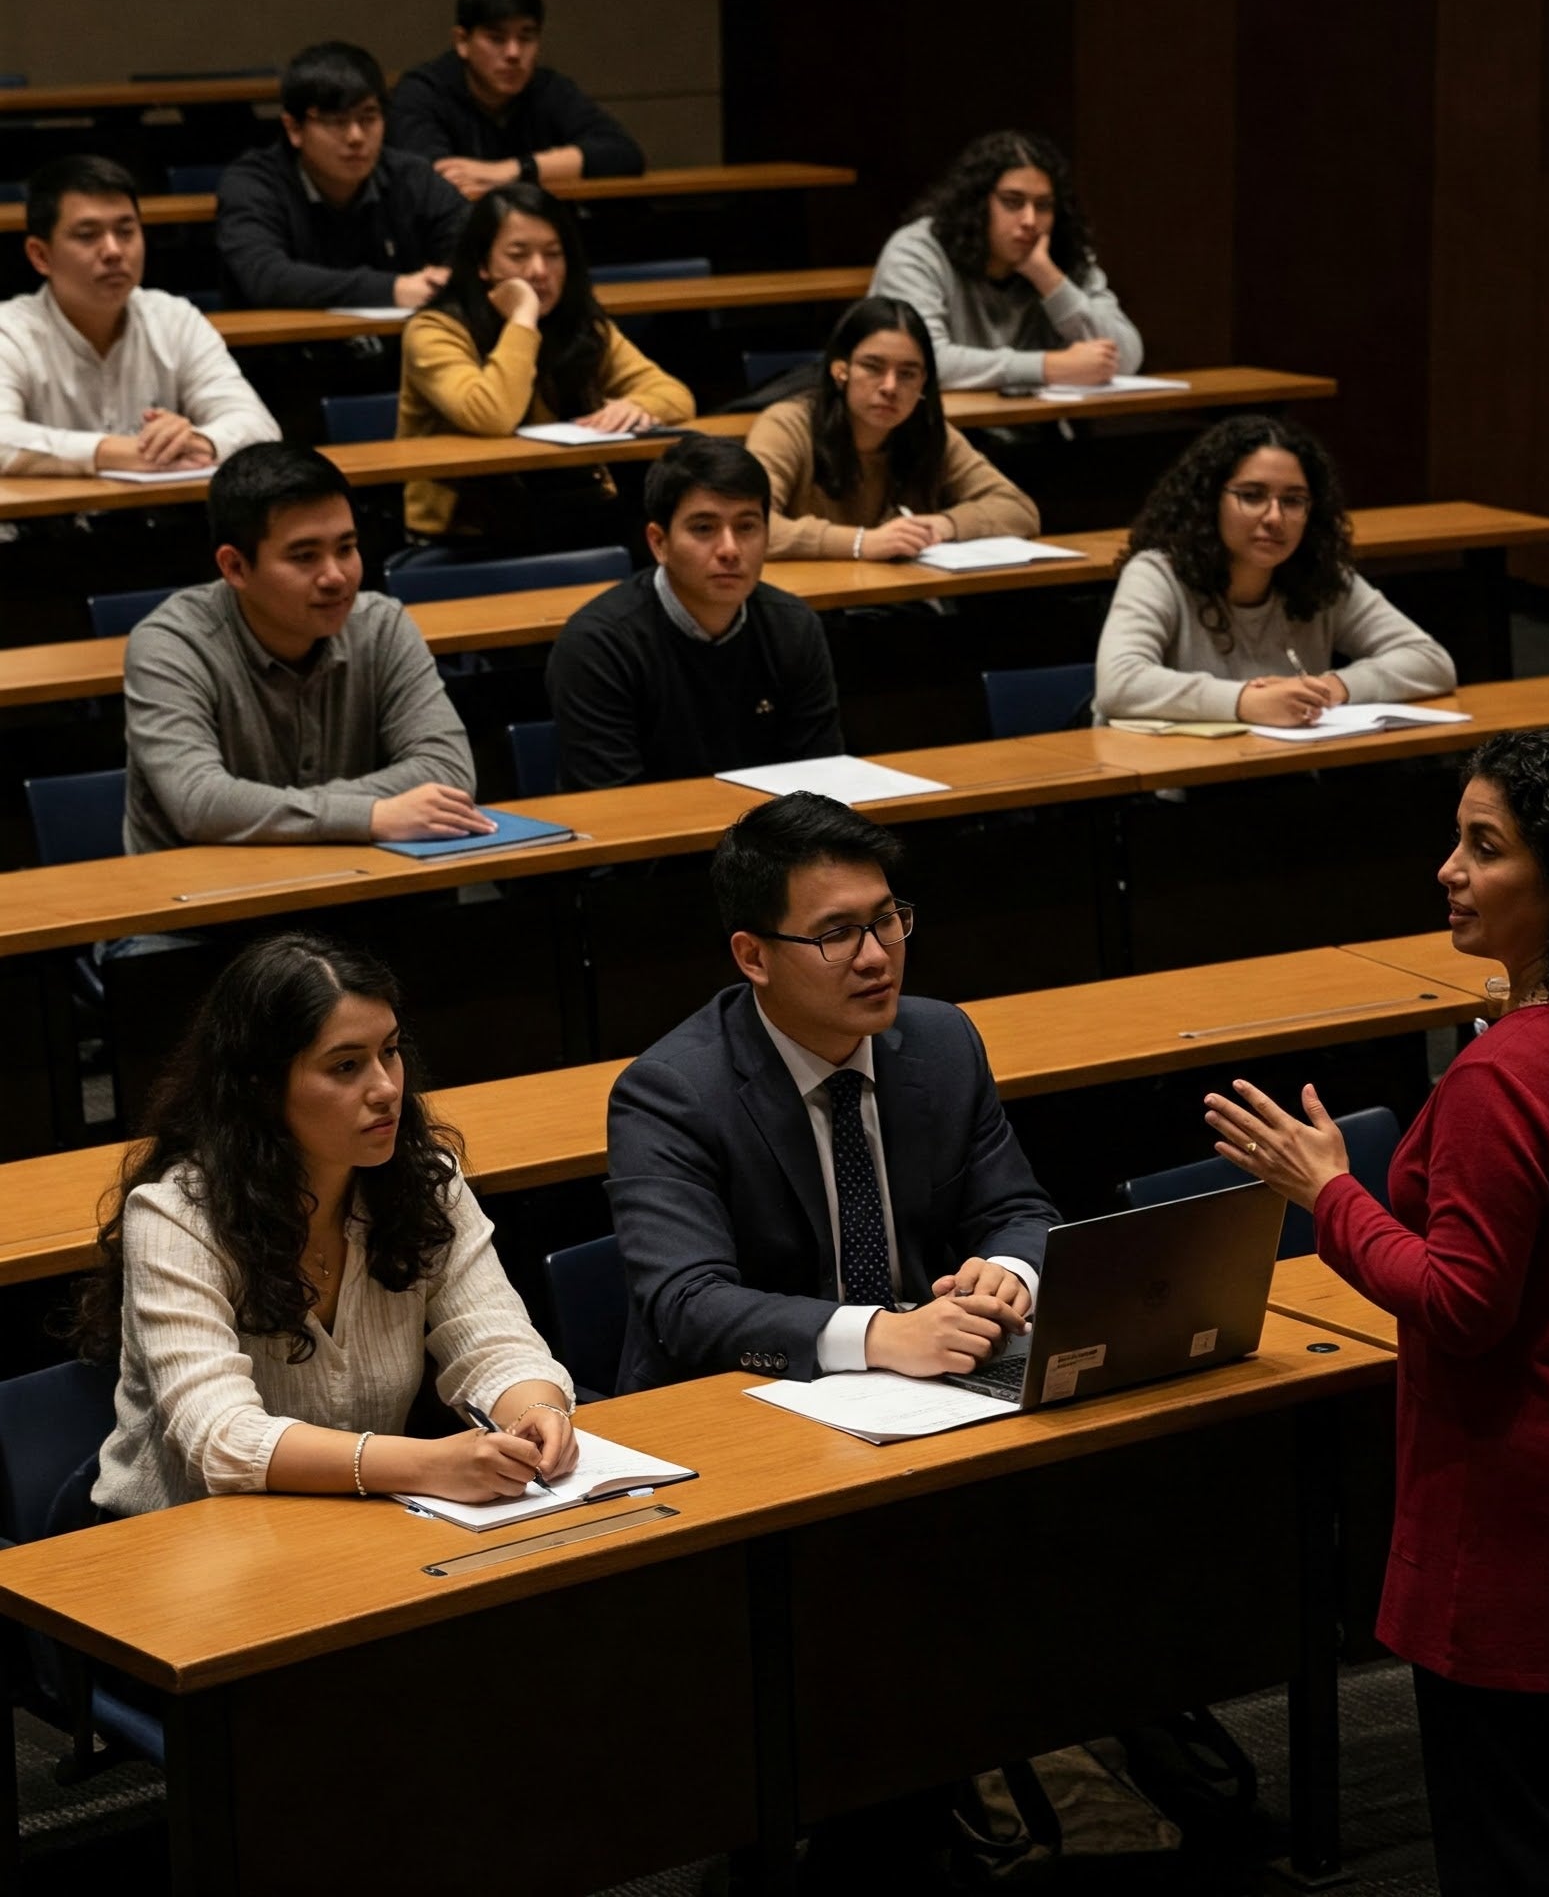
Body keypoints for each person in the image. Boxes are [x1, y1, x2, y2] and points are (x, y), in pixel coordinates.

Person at [1203, 730, 1549, 1895]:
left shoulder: (1505, 1075)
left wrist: (1327, 1193)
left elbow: (1458, 1302)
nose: (1448, 868)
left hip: (1526, 1513)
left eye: (1484, 847)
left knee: (1513, 1849)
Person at [76, 932, 576, 1516]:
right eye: (346, 1066)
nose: (386, 1088)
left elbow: (495, 1341)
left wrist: (537, 1411)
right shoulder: (175, 1218)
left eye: (390, 1051)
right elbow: (220, 1437)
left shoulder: (424, 1183)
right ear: (262, 1087)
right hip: (181, 1538)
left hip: (353, 1518)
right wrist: (427, 1464)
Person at [608, 792, 1055, 1389]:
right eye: (837, 935)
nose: (875, 957)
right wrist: (877, 1335)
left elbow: (1019, 1211)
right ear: (754, 956)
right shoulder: (671, 1093)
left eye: (886, 921)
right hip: (751, 1393)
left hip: (928, 1379)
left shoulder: (943, 1043)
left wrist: (1009, 1271)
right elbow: (687, 1303)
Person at [123, 443, 487, 852]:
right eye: (305, 556)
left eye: (346, 549)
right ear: (235, 567)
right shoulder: (170, 645)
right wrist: (370, 816)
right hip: (206, 887)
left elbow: (448, 770)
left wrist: (270, 813)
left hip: (356, 879)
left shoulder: (381, 626)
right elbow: (199, 801)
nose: (335, 576)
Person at [1093, 414, 1455, 725]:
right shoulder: (1157, 573)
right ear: (1209, 500)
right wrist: (1245, 701)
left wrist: (1331, 688)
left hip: (1288, 770)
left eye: (1293, 501)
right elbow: (1120, 684)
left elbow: (1431, 661)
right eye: (1252, 496)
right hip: (1173, 778)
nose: (1275, 518)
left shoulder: (1320, 574)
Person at [395, 181, 695, 548]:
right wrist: (523, 318)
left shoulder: (582, 326)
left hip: (568, 511)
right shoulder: (434, 329)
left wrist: (637, 405)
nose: (539, 270)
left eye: (553, 254)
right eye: (518, 255)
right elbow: (491, 415)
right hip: (464, 528)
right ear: (483, 265)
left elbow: (676, 396)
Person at [545, 434, 841, 790]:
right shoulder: (597, 646)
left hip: (770, 826)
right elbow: (615, 805)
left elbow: (821, 785)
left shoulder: (794, 627)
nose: (730, 549)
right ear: (659, 543)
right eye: (704, 528)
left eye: (746, 527)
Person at [0, 154, 278, 478]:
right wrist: (111, 452)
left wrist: (199, 441)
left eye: (125, 231)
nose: (113, 251)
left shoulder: (175, 320)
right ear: (40, 256)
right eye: (87, 235)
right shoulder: (10, 333)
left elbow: (259, 426)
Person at [748, 296, 1039, 560]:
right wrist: (861, 542)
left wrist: (944, 524)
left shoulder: (930, 433)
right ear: (840, 371)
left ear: (923, 383)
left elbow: (1018, 509)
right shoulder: (786, 426)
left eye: (907, 374)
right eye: (873, 367)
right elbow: (748, 526)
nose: (890, 387)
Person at [868, 130, 1141, 391]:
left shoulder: (1064, 256)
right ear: (977, 204)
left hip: (1042, 421)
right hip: (947, 422)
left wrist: (1049, 280)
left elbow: (1126, 358)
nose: (1030, 221)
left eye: (1043, 206)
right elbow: (917, 359)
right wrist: (1047, 367)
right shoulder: (918, 251)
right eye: (1012, 202)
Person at [215, 40, 469, 310]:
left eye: (368, 118)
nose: (356, 137)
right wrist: (392, 289)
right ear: (294, 129)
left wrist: (449, 276)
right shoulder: (252, 184)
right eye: (336, 121)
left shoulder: (411, 176)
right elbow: (266, 277)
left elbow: (475, 241)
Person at [388, 0, 644, 198]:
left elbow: (622, 153)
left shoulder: (548, 88)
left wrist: (513, 170)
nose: (514, 53)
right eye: (497, 39)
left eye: (526, 38)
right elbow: (433, 177)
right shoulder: (422, 91)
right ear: (462, 42)